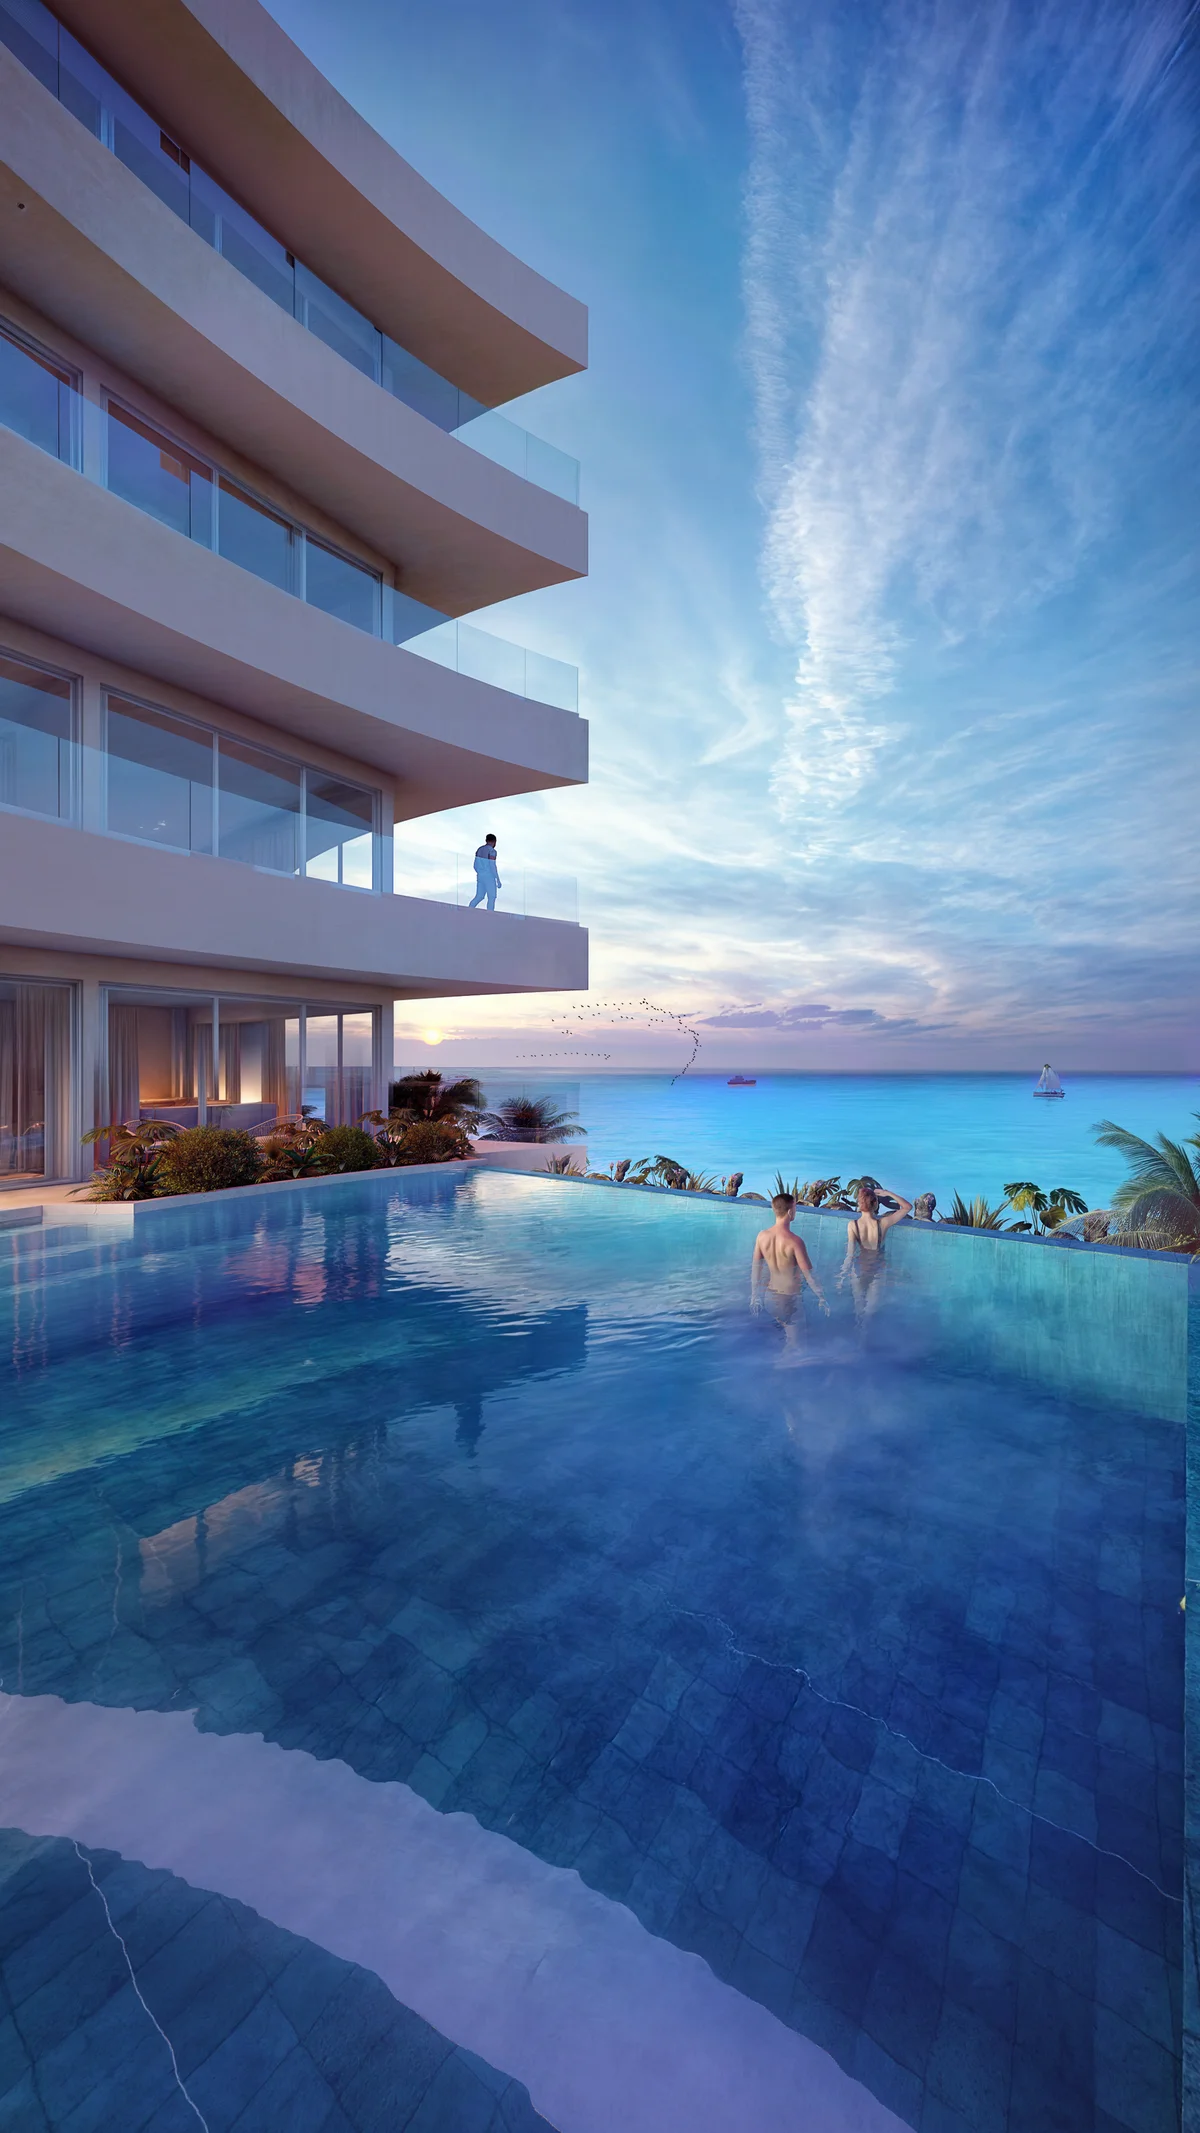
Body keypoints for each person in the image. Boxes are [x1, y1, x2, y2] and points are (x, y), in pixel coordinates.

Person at [751, 1192, 829, 1358]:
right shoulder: (795, 1241)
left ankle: (775, 1369)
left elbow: (756, 1268)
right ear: (790, 1212)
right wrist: (822, 1297)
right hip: (789, 1300)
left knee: (787, 1340)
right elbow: (809, 1274)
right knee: (798, 1347)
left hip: (770, 1298)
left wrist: (754, 1296)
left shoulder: (761, 1237)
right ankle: (777, 1377)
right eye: (795, 1208)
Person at [839, 1180, 912, 1318]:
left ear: (859, 1205)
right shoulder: (883, 1224)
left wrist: (842, 1276)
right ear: (875, 1204)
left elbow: (849, 1255)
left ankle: (858, 1334)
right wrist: (887, 1193)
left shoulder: (852, 1225)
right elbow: (907, 1207)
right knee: (870, 1312)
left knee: (858, 1307)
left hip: (859, 1268)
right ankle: (865, 1333)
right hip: (877, 1269)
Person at [468, 833, 501, 910]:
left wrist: (480, 872)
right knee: (492, 896)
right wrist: (497, 879)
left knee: (479, 896)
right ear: (494, 842)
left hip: (480, 875)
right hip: (489, 876)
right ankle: (490, 915)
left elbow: (475, 865)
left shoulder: (479, 850)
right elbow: (492, 865)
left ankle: (469, 910)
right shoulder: (492, 851)